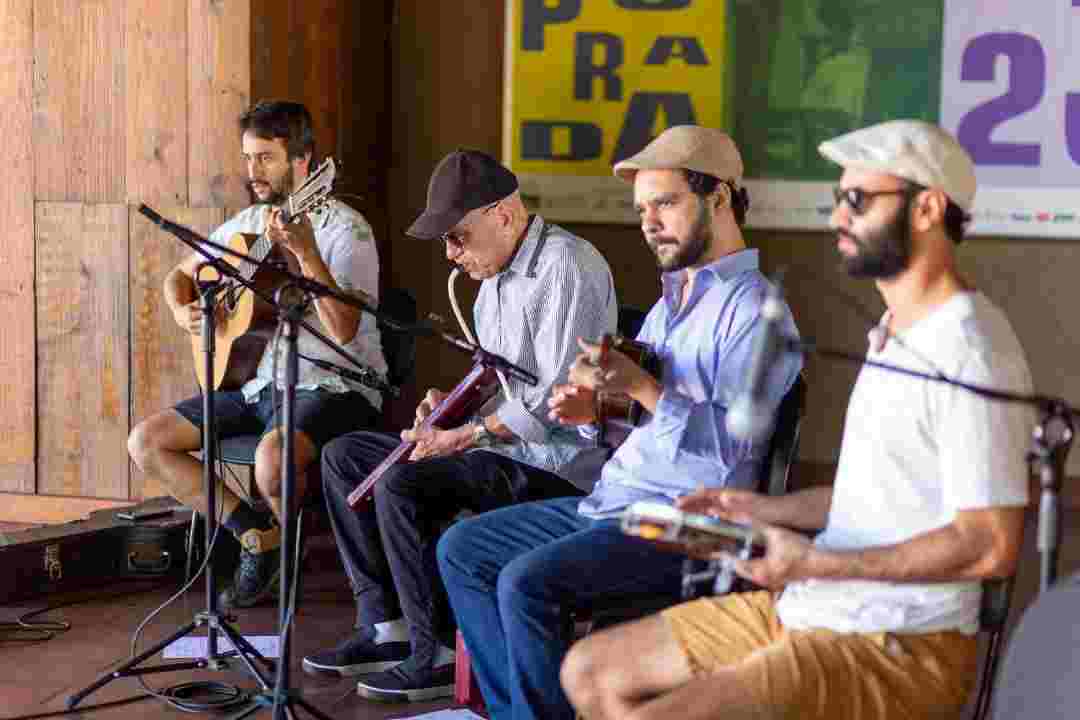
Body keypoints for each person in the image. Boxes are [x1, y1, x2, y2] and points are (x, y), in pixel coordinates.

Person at [560, 120, 1034, 720]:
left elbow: (990, 545)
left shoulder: (969, 348)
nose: (839, 216)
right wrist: (762, 511)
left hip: (895, 644)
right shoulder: (895, 334)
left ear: (928, 209)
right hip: (819, 605)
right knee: (591, 672)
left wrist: (815, 562)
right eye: (839, 199)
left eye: (858, 200)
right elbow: (885, 496)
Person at [437, 125, 802, 720]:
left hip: (696, 524)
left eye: (666, 202)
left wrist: (639, 387)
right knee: (463, 550)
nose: (649, 221)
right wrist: (595, 413)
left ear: (720, 198)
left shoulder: (756, 312)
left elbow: (729, 460)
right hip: (617, 504)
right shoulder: (671, 304)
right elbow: (639, 422)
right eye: (641, 209)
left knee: (525, 584)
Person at [301, 149, 618, 702]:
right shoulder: (491, 279)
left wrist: (465, 436)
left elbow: (553, 402)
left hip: (561, 465)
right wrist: (449, 407)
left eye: (457, 237)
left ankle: (437, 650)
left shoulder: (568, 265)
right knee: (344, 456)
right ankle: (386, 625)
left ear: (502, 213)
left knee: (401, 481)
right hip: (504, 451)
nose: (451, 255)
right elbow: (499, 383)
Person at [128, 100, 386, 610]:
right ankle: (255, 536)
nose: (252, 172)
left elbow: (346, 328)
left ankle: (290, 569)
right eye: (248, 158)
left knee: (272, 458)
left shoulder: (345, 229)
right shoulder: (246, 224)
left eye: (265, 158)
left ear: (303, 161)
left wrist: (307, 253)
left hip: (333, 385)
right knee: (146, 442)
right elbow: (177, 277)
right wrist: (185, 312)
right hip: (252, 385)